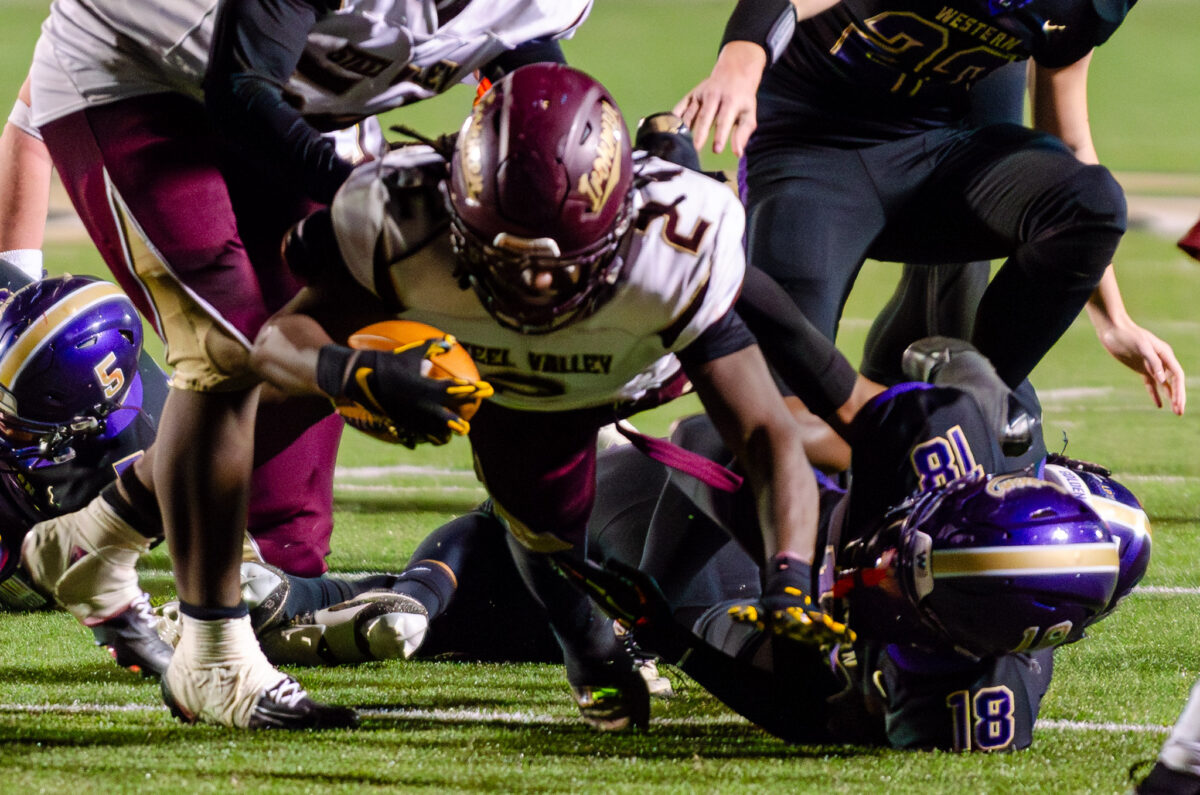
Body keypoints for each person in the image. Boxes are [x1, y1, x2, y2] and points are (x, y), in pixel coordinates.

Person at [27, 0, 594, 729]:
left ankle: (98, 534)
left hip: (301, 108)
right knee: (228, 348)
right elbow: (239, 88)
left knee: (358, 303)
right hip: (138, 76)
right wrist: (365, 195)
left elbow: (536, 90)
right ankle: (214, 658)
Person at [252, 62, 847, 731]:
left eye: (558, 260)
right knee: (539, 526)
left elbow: (770, 430)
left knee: (822, 403)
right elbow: (272, 344)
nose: (535, 285)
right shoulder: (404, 216)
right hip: (530, 403)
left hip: (649, 361)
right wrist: (348, 371)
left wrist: (790, 577)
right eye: (508, 257)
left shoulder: (676, 246)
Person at [675, 0, 1186, 416]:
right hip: (813, 151)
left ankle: (969, 410)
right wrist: (739, 65)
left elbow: (1068, 140)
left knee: (1091, 201)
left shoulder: (1088, 5)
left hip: (939, 150)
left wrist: (1113, 318)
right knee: (784, 406)